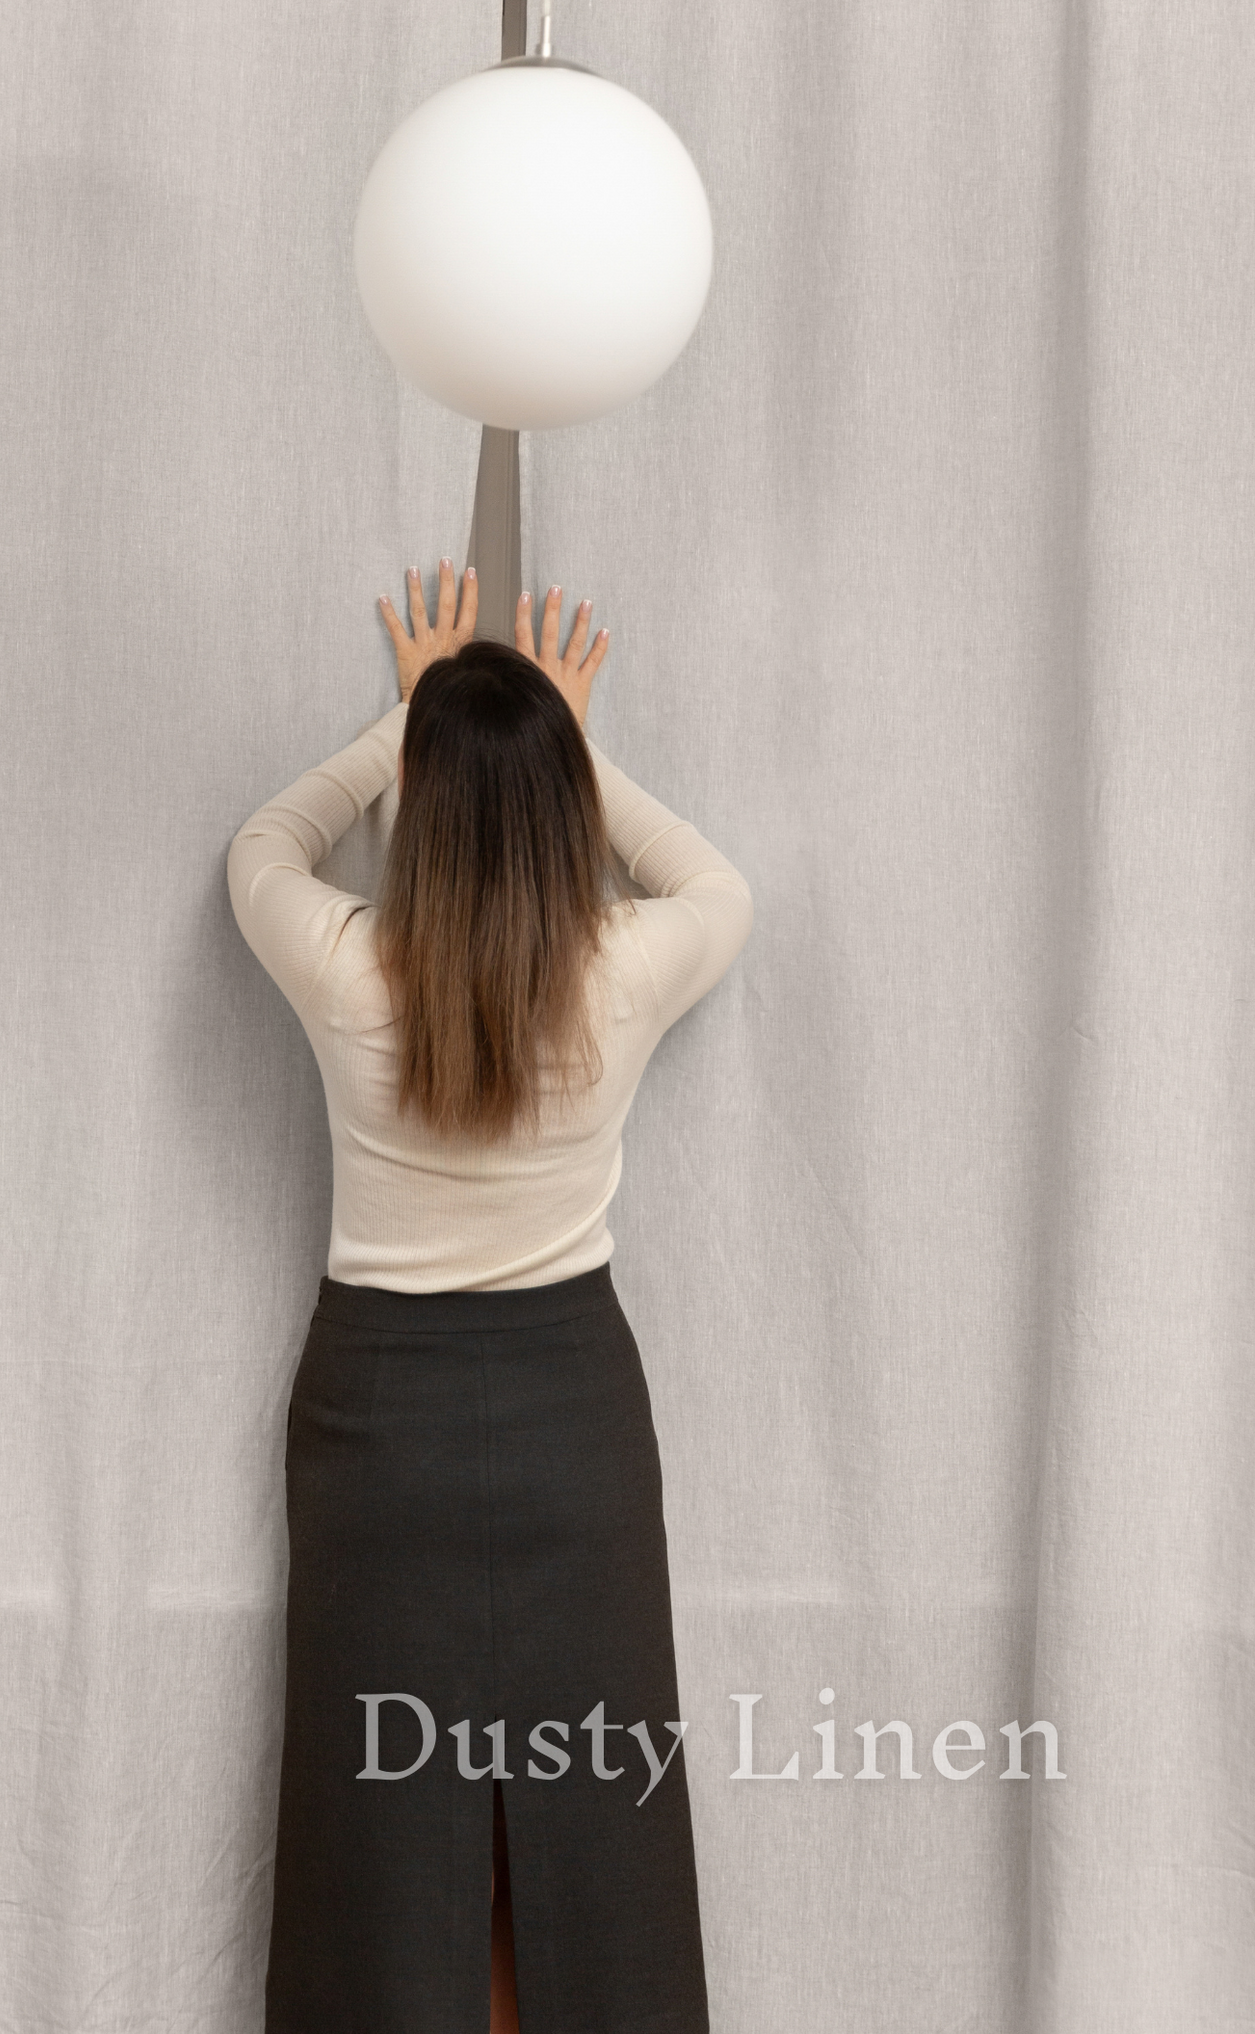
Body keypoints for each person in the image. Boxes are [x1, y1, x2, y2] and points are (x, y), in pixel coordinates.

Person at [227, 557, 754, 2033]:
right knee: (587, 1837)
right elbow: (719, 886)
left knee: (384, 1838)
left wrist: (405, 722)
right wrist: (572, 741)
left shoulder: (347, 968)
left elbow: (264, 845)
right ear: (558, 813)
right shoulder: (619, 972)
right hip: (571, 1419)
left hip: (374, 1425)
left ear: (423, 807)